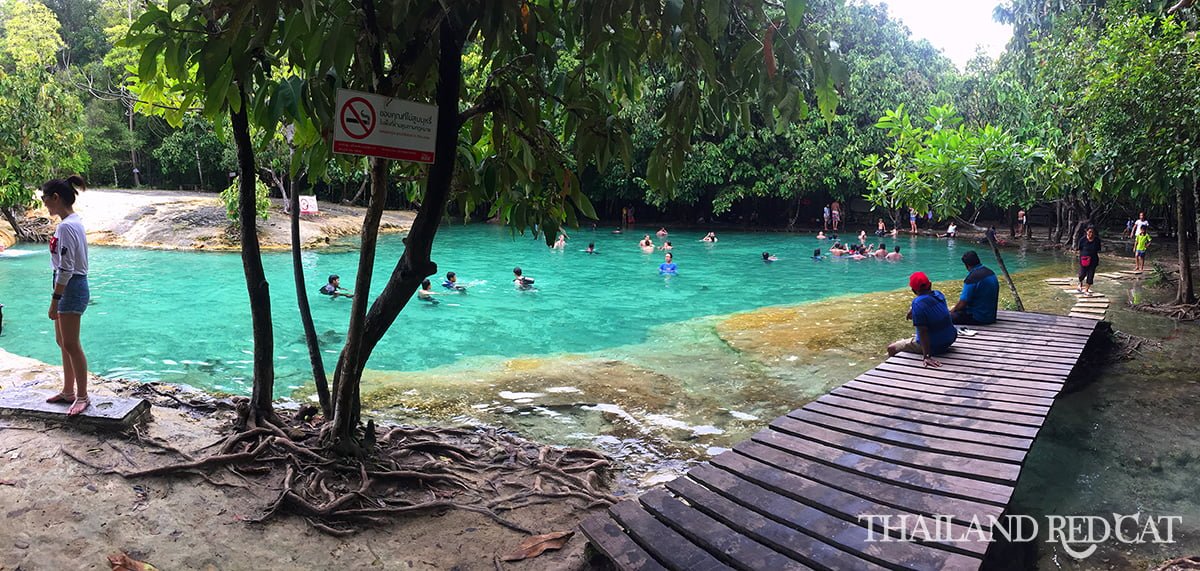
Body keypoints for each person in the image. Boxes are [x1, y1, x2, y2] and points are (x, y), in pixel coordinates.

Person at [41, 176, 93, 417]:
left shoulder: (66, 226)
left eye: (45, 199)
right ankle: (68, 391)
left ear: (56, 198)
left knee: (71, 343)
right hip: (68, 285)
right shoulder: (71, 222)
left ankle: (82, 396)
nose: (44, 204)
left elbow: (67, 268)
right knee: (63, 342)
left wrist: (55, 300)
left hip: (70, 286)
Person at [887, 271, 956, 367]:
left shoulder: (917, 303)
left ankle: (892, 371)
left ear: (913, 291)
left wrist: (926, 356)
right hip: (950, 339)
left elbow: (923, 331)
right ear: (930, 284)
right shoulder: (939, 294)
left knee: (891, 348)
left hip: (936, 346)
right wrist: (912, 309)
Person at [949, 251, 999, 325]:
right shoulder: (990, 272)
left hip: (978, 318)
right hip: (990, 316)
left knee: (945, 317)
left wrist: (952, 311)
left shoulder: (972, 278)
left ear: (966, 265)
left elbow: (963, 302)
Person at [1078, 225, 1101, 295]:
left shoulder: (1097, 240)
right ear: (1086, 232)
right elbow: (1080, 248)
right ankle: (1080, 283)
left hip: (1093, 260)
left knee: (1090, 275)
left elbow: (1098, 249)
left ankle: (1086, 289)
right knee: (1082, 274)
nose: (1091, 234)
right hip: (1084, 260)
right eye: (1089, 232)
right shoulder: (1082, 240)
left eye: (1092, 232)